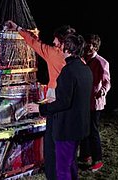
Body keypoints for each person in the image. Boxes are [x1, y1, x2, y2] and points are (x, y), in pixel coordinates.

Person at [4, 20, 76, 179]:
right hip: (71, 109)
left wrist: (17, 28)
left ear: (63, 41)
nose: (53, 41)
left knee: (51, 147)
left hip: (55, 105)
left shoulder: (53, 53)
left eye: (56, 39)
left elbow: (34, 42)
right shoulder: (78, 60)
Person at [27, 33, 93, 180]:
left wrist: (40, 108)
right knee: (71, 165)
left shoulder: (68, 71)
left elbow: (63, 102)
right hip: (79, 127)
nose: (59, 49)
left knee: (63, 169)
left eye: (61, 46)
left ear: (67, 49)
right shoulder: (85, 69)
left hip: (67, 129)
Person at [78, 34, 111, 172]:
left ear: (95, 46)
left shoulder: (102, 62)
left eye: (91, 44)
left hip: (95, 103)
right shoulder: (83, 60)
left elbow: (107, 82)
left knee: (93, 131)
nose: (88, 46)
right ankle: (85, 155)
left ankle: (98, 160)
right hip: (84, 101)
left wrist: (103, 91)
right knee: (84, 130)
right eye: (87, 43)